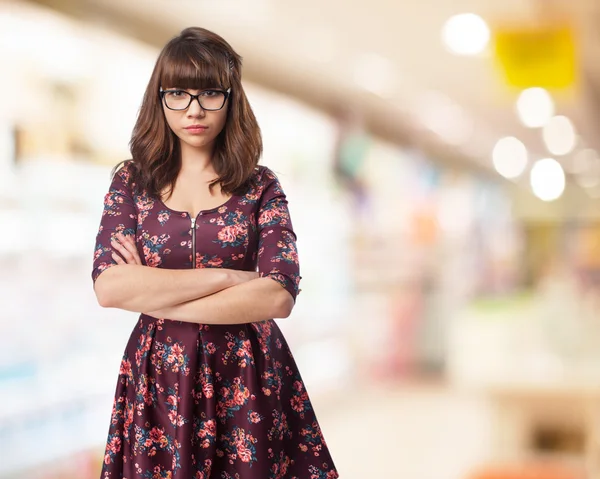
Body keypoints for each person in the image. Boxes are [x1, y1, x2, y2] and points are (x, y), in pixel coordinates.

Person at [92, 27, 338, 479]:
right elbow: (110, 287)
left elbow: (278, 295)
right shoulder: (131, 182)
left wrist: (152, 290)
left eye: (210, 94)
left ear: (231, 100)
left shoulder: (261, 186)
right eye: (178, 94)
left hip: (247, 375)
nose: (194, 110)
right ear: (159, 99)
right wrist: (229, 277)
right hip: (159, 380)